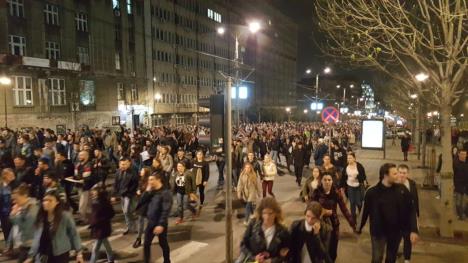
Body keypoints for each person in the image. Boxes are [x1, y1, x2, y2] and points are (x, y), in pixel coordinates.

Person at [357, 163, 419, 263]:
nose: (398, 175)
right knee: (377, 258)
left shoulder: (402, 190)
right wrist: (359, 228)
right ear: (385, 175)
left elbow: (411, 209)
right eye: (395, 174)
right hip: (378, 232)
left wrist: (413, 229)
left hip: (395, 232)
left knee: (391, 259)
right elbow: (364, 211)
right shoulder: (372, 192)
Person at [26, 191, 84, 263]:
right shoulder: (41, 217)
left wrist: (79, 253)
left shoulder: (65, 216)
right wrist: (31, 255)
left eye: (50, 200)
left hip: (60, 253)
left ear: (57, 202)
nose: (46, 203)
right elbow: (36, 238)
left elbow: (74, 234)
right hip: (43, 254)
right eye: (44, 200)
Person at [312, 173, 355, 261]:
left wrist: (351, 221)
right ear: (321, 181)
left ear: (332, 181)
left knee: (333, 248)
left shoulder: (336, 192)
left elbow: (344, 208)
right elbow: (310, 207)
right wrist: (322, 211)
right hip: (320, 223)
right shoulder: (316, 192)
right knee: (320, 248)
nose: (327, 182)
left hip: (334, 223)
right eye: (325, 180)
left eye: (329, 180)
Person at [236, 197, 290, 263]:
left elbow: (285, 255)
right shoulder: (253, 225)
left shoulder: (282, 231)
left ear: (276, 213)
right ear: (261, 213)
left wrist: (271, 261)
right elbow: (243, 245)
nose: (267, 217)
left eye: (270, 213)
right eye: (264, 213)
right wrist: (254, 257)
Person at [142, 173, 173, 263]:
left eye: (151, 180)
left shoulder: (165, 193)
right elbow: (141, 202)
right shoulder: (151, 191)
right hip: (151, 222)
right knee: (146, 244)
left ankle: (167, 261)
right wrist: (147, 192)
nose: (149, 182)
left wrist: (160, 224)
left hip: (160, 223)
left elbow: (165, 210)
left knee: (163, 243)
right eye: (149, 180)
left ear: (158, 180)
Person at [10, 184, 39, 262]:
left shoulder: (32, 208)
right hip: (25, 244)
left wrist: (13, 215)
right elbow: (16, 225)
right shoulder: (24, 208)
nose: (14, 202)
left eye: (16, 199)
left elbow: (25, 228)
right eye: (13, 200)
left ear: (25, 195)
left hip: (32, 245)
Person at [397, 164, 419, 263]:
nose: (402, 175)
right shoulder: (392, 184)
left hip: (407, 218)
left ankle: (407, 259)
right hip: (396, 219)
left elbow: (415, 201)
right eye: (400, 173)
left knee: (407, 240)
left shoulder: (412, 184)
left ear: (407, 174)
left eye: (404, 173)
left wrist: (417, 216)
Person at [112, 157, 139, 234]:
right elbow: (116, 184)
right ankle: (129, 227)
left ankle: (134, 227)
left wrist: (127, 194)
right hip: (122, 195)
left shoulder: (133, 173)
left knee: (128, 211)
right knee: (125, 212)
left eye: (124, 164)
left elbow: (134, 185)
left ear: (128, 164)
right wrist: (114, 195)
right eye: (121, 164)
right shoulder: (118, 172)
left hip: (129, 195)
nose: (123, 166)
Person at [89, 187, 115, 263]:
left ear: (99, 194)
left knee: (96, 248)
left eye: (94, 192)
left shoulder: (103, 203)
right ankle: (111, 259)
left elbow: (111, 213)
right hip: (98, 227)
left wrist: (102, 220)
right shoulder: (95, 202)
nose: (93, 194)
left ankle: (92, 261)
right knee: (105, 243)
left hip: (102, 227)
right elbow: (94, 215)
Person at [340, 152, 367, 221]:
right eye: (348, 158)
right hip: (350, 186)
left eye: (350, 158)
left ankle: (362, 215)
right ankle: (353, 217)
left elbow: (363, 177)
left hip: (358, 186)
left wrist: (357, 177)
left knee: (359, 202)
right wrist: (342, 187)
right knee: (352, 202)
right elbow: (343, 177)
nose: (348, 159)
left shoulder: (359, 166)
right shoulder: (346, 166)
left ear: (354, 158)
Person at [0, 168, 19, 252]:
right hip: (4, 214)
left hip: (14, 212)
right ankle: (9, 249)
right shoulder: (1, 186)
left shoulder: (14, 185)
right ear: (5, 176)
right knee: (7, 231)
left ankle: (13, 249)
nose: (13, 176)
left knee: (14, 231)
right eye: (11, 175)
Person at [133, 167, 151, 248]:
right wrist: (138, 191)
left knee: (149, 221)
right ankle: (139, 238)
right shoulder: (140, 180)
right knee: (140, 221)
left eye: (142, 170)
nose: (140, 171)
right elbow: (139, 188)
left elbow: (148, 193)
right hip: (141, 203)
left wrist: (141, 192)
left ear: (146, 172)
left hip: (148, 204)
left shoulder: (149, 181)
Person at [453, 149, 468, 220]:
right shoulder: (456, 164)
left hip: (465, 186)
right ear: (458, 154)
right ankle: (460, 214)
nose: (463, 156)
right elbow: (453, 174)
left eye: (464, 154)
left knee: (464, 202)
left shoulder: (466, 164)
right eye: (461, 154)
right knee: (458, 202)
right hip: (458, 185)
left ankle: (462, 214)